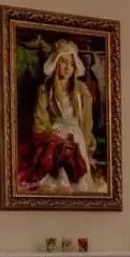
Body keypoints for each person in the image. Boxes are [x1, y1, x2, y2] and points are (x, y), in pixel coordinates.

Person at [19, 40, 100, 191]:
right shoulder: (46, 89)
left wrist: (88, 147)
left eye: (71, 63)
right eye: (63, 62)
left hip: (76, 135)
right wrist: (52, 132)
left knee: (78, 178)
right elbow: (40, 120)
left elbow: (87, 122)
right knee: (58, 174)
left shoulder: (81, 91)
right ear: (56, 64)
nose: (67, 67)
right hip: (55, 135)